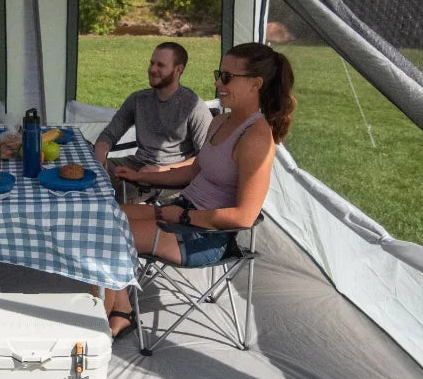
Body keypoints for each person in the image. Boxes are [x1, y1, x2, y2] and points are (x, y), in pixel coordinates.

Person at [107, 42, 296, 339]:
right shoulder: (221, 121)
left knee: (108, 234)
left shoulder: (257, 138)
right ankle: (118, 306)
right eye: (219, 74)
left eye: (227, 77)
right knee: (103, 218)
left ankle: (110, 315)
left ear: (256, 84)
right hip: (182, 210)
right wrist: (138, 175)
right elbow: (194, 171)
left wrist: (183, 217)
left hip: (204, 236)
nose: (218, 83)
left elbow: (244, 217)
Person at [94, 41, 212, 202]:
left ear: (178, 69)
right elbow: (109, 134)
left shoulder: (194, 106)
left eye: (160, 65)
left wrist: (162, 170)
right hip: (136, 164)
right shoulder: (138, 99)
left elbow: (205, 158)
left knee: (106, 195)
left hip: (170, 178)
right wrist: (99, 156)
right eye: (151, 63)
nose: (152, 69)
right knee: (86, 174)